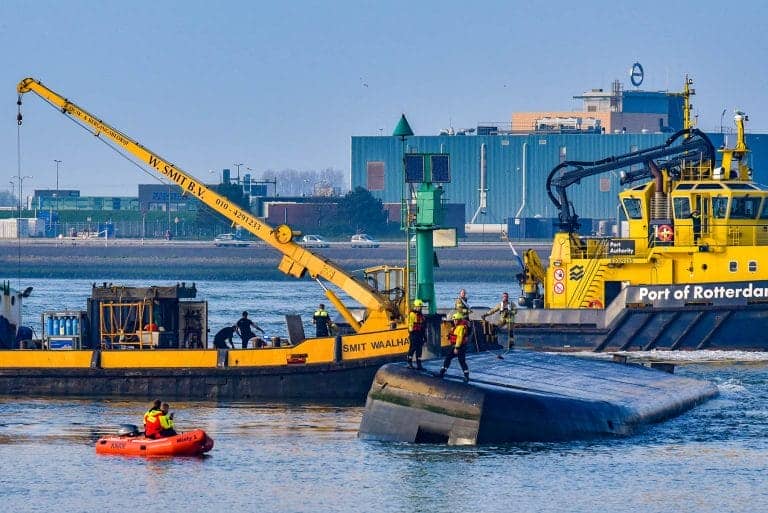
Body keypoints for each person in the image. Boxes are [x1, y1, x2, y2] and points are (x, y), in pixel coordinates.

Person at [437, 312, 470, 383]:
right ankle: (442, 372)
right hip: (456, 346)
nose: (454, 321)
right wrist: (450, 336)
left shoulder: (460, 327)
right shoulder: (457, 327)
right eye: (454, 320)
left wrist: (456, 348)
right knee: (450, 358)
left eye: (456, 320)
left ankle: (466, 376)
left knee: (460, 360)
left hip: (459, 347)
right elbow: (454, 335)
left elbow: (459, 338)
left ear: (459, 320)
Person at [406, 299, 426, 370]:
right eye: (419, 307)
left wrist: (424, 337)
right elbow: (411, 325)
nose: (420, 308)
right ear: (416, 306)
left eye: (421, 307)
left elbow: (423, 326)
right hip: (414, 334)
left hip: (420, 334)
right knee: (412, 348)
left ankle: (419, 365)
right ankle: (409, 363)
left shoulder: (421, 315)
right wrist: (412, 333)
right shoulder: (412, 314)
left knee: (419, 350)